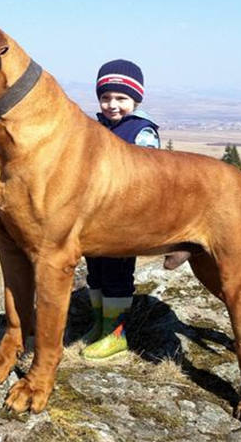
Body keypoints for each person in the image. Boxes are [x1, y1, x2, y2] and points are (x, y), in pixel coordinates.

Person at [82, 59, 160, 360]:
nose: (112, 105)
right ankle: (100, 326)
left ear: (135, 99)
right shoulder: (97, 126)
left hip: (125, 219)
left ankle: (117, 335)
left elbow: (149, 177)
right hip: (94, 217)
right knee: (96, 274)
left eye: (121, 99)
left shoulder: (142, 131)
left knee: (116, 274)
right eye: (105, 98)